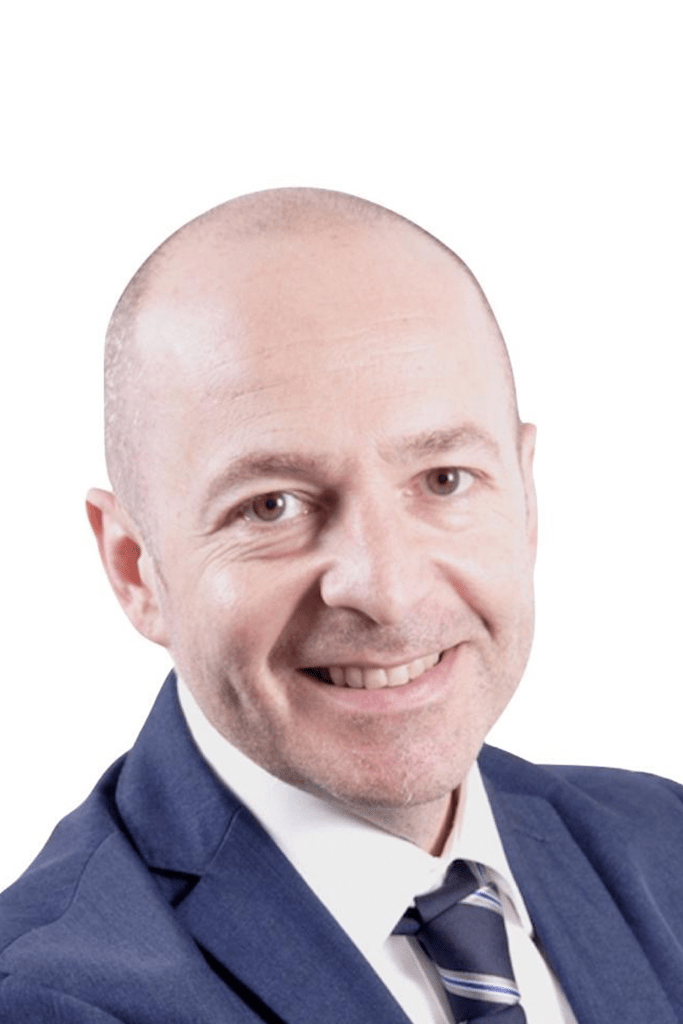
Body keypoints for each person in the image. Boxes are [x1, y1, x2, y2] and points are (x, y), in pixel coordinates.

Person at [1, 188, 682, 1024]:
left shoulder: (665, 846)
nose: (387, 591)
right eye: (271, 505)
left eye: (443, 480)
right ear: (135, 568)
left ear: (525, 499)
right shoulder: (46, 998)